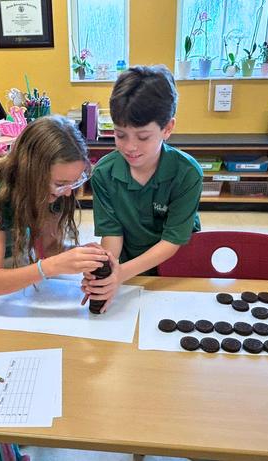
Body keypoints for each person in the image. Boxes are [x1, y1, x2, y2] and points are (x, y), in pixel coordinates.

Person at [84, 65, 203, 312]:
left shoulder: (187, 173)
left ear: (167, 128)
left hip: (176, 268)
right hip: (130, 268)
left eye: (143, 137)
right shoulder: (104, 173)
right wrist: (108, 271)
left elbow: (172, 240)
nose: (130, 147)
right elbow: (112, 233)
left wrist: (119, 274)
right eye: (120, 135)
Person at [0, 115, 108, 296]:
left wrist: (81, 255)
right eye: (60, 184)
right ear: (31, 173)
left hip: (17, 250)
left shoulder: (60, 187)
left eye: (74, 182)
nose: (68, 193)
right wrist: (50, 266)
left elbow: (50, 248)